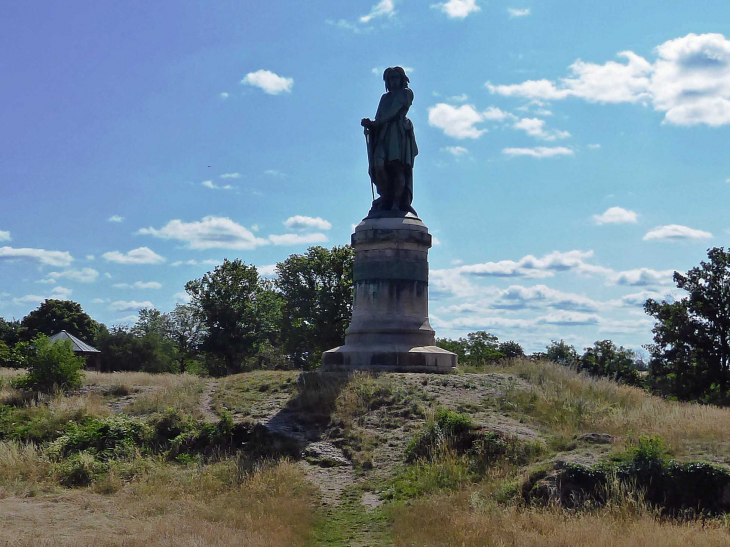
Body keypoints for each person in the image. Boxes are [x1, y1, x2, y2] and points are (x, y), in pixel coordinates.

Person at [361, 66, 419, 215]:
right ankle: (386, 196)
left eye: (396, 78)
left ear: (402, 79)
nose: (393, 81)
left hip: (397, 133)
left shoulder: (406, 93)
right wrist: (371, 125)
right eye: (390, 78)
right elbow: (380, 117)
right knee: (378, 165)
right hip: (383, 134)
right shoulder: (384, 98)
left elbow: (392, 113)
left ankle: (396, 202)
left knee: (396, 167)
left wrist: (375, 123)